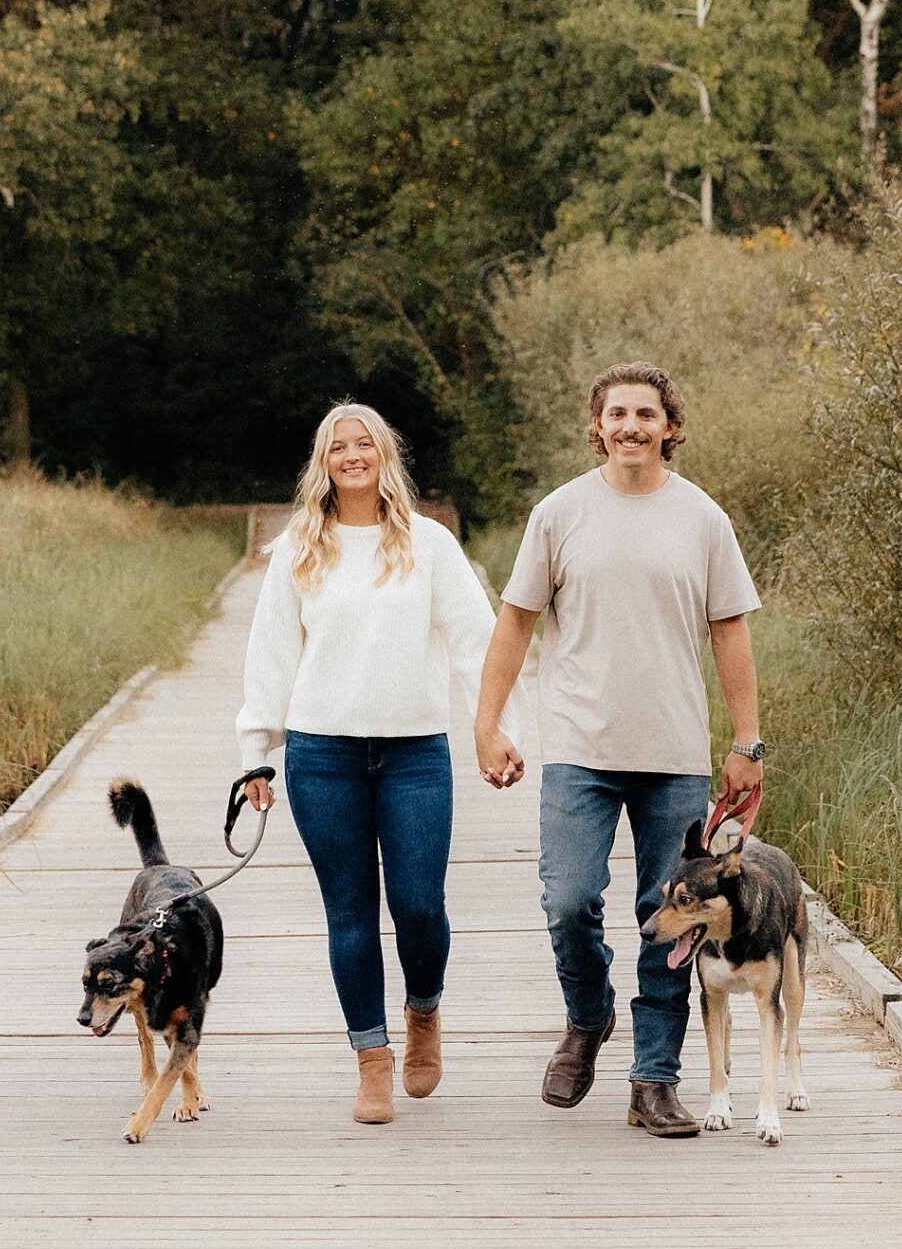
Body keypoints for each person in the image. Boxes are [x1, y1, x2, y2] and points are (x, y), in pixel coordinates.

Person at [473, 361, 765, 1137]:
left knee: (668, 913)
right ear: (596, 424)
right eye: (617, 414)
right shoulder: (560, 513)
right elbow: (515, 621)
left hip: (672, 752)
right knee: (567, 902)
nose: (631, 426)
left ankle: (654, 1080)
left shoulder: (701, 519)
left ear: (670, 426)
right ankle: (589, 1017)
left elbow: (729, 630)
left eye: (646, 414)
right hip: (578, 746)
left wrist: (747, 742)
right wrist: (488, 722)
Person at [237, 402, 524, 1126]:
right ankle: (371, 1059)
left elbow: (475, 642)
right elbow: (270, 652)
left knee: (419, 906)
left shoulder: (428, 544)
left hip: (414, 754)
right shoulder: (298, 547)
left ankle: (423, 1010)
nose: (353, 455)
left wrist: (494, 730)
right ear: (323, 462)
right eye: (339, 446)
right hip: (319, 752)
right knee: (350, 913)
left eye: (364, 443)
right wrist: (255, 758)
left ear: (384, 455)